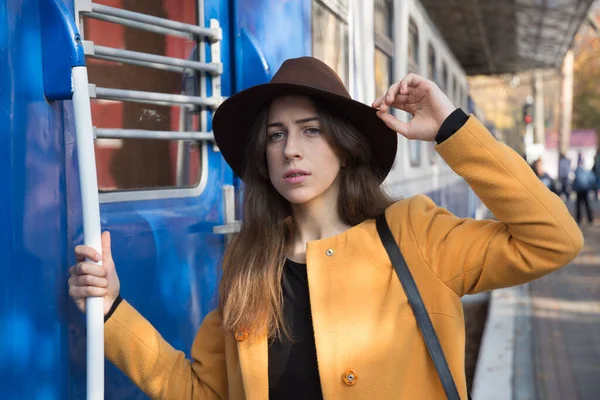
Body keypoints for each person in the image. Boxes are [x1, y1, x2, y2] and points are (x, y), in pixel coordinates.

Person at [68, 57, 583, 399]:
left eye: (311, 130)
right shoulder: (249, 269)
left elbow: (554, 239)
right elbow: (199, 392)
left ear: (343, 145)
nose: (291, 148)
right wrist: (112, 311)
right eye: (276, 135)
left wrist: (452, 129)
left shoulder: (414, 234)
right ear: (263, 157)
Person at [573, 155, 596, 224]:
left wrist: (574, 188)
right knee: (586, 204)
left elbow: (575, 181)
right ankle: (590, 219)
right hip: (585, 190)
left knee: (578, 205)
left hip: (579, 190)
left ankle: (578, 219)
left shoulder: (577, 170)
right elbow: (592, 179)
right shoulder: (585, 170)